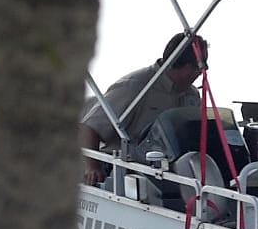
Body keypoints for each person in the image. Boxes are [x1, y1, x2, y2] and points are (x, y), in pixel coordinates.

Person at [77, 32, 209, 185]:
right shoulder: (135, 86)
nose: (203, 71)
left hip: (172, 175)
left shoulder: (191, 94)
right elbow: (88, 128)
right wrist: (93, 168)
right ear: (185, 66)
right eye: (201, 65)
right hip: (126, 175)